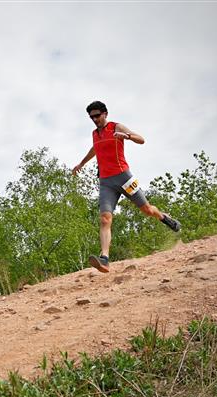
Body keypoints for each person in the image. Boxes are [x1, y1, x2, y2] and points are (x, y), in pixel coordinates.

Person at [72, 100, 181, 273]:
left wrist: (127, 137)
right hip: (106, 183)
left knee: (147, 210)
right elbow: (95, 149)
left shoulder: (116, 127)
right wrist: (81, 163)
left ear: (105, 114)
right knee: (105, 219)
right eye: (91, 117)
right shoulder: (95, 134)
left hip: (124, 178)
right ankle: (104, 259)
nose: (95, 119)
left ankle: (164, 218)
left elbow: (141, 140)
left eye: (97, 116)